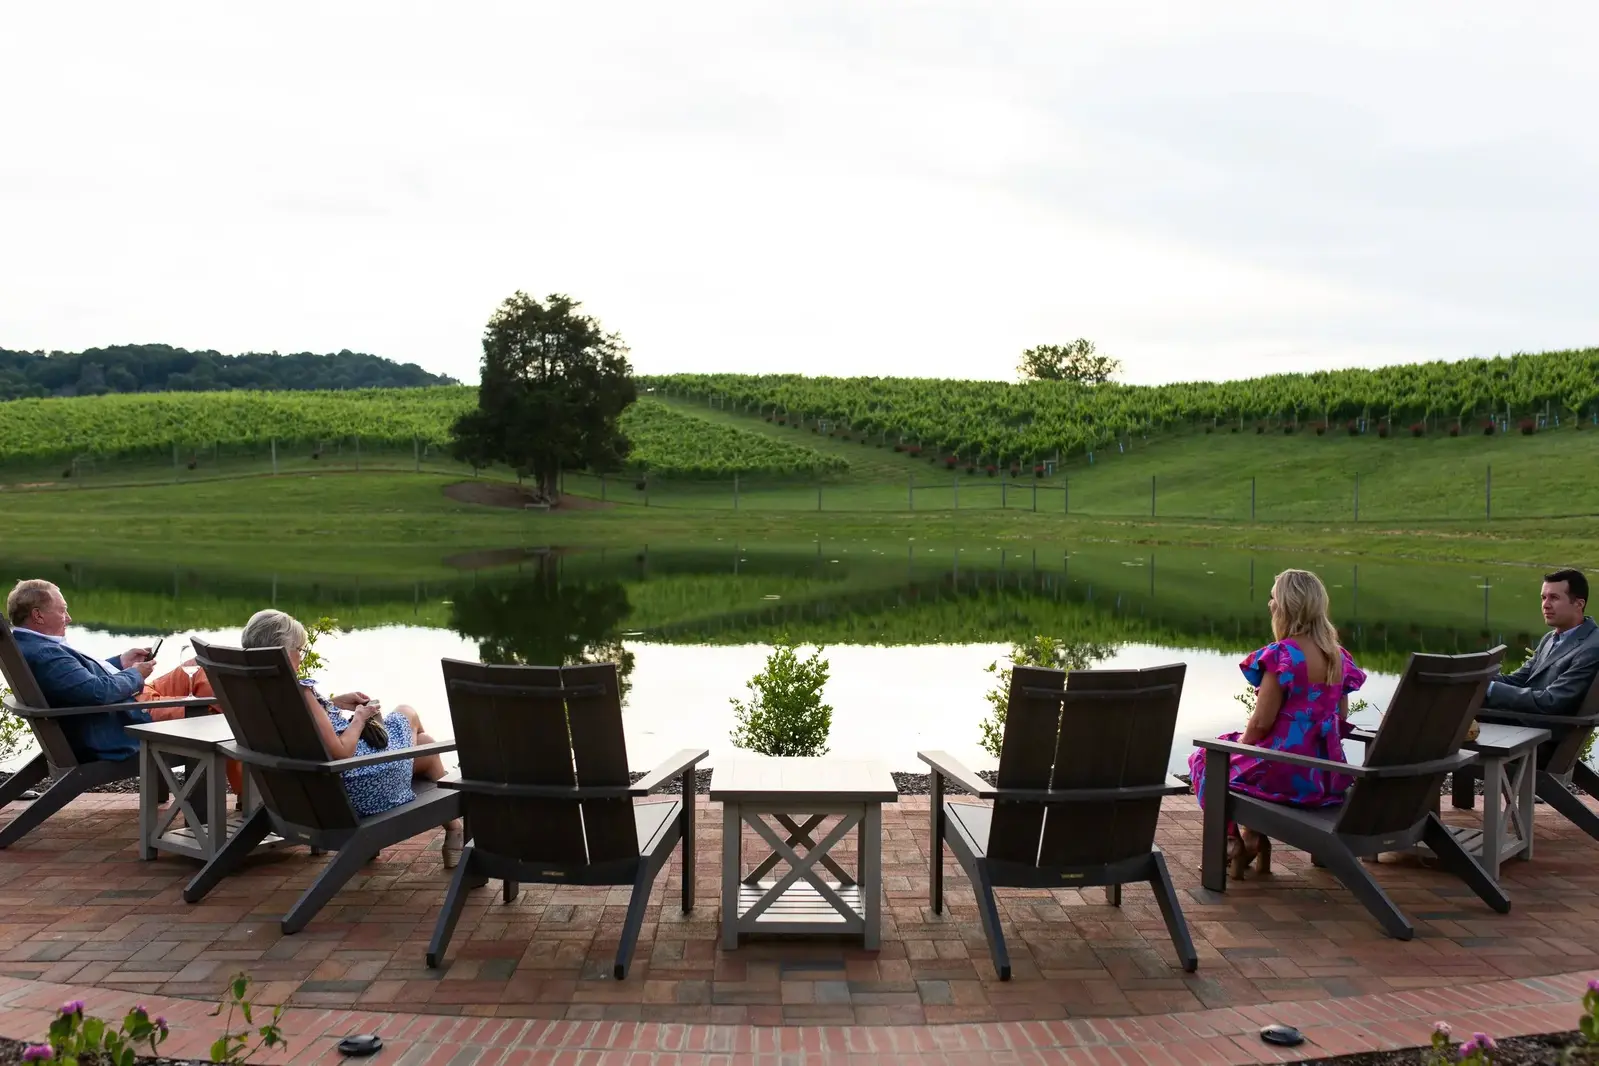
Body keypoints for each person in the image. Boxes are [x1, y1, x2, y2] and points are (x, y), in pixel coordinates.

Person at [237, 609, 464, 866]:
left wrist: (332, 704)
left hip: (307, 795)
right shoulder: (301, 693)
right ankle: (454, 831)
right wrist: (359, 716)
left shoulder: (255, 691)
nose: (301, 656)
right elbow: (342, 752)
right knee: (407, 714)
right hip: (356, 791)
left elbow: (307, 722)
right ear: (283, 652)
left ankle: (454, 829)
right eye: (299, 649)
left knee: (425, 745)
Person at [1188, 568, 1367, 878]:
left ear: (1286, 606)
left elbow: (1260, 723)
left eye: (1273, 599)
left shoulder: (1284, 656)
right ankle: (1254, 836)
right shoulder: (1338, 657)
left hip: (1284, 773)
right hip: (1324, 778)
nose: (1270, 605)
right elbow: (1340, 717)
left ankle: (1229, 840)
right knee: (1236, 754)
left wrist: (1242, 745)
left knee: (1206, 759)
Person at [6, 579, 216, 763]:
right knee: (216, 711)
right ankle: (241, 791)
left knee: (199, 666)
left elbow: (76, 681)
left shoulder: (30, 645)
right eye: (62, 610)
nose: (68, 617)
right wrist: (135, 674)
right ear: (38, 616)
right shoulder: (45, 654)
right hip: (127, 717)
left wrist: (120, 663)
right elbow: (97, 692)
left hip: (128, 700)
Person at [1482, 569, 1599, 715]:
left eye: (1554, 598)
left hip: (1541, 729)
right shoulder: (1550, 638)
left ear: (1578, 604)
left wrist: (1490, 688)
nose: (1546, 605)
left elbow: (1553, 701)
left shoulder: (1592, 647)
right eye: (1543, 597)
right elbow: (1518, 680)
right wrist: (1475, 680)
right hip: (1523, 721)